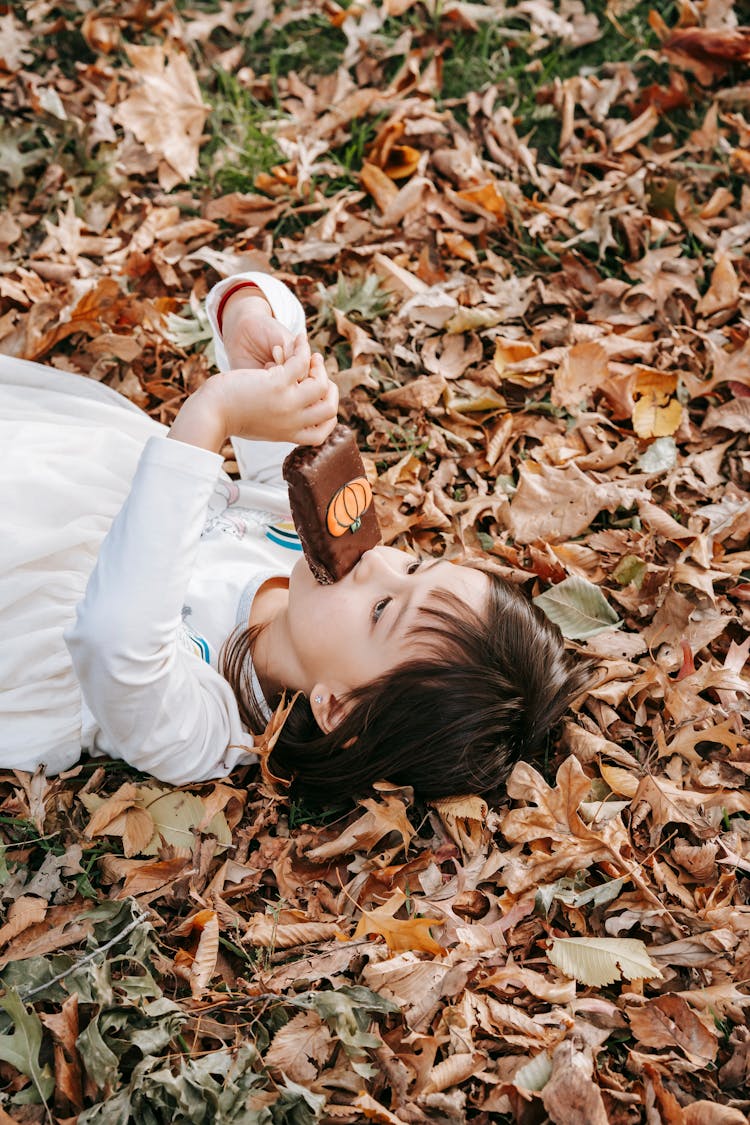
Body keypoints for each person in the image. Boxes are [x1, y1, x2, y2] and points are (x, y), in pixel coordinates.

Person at [0, 272, 594, 802]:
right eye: (414, 566)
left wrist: (211, 419)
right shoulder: (296, 536)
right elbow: (268, 348)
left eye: (384, 609)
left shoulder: (203, 728)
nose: (376, 564)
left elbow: (113, 640)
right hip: (47, 458)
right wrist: (253, 325)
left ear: (335, 705)